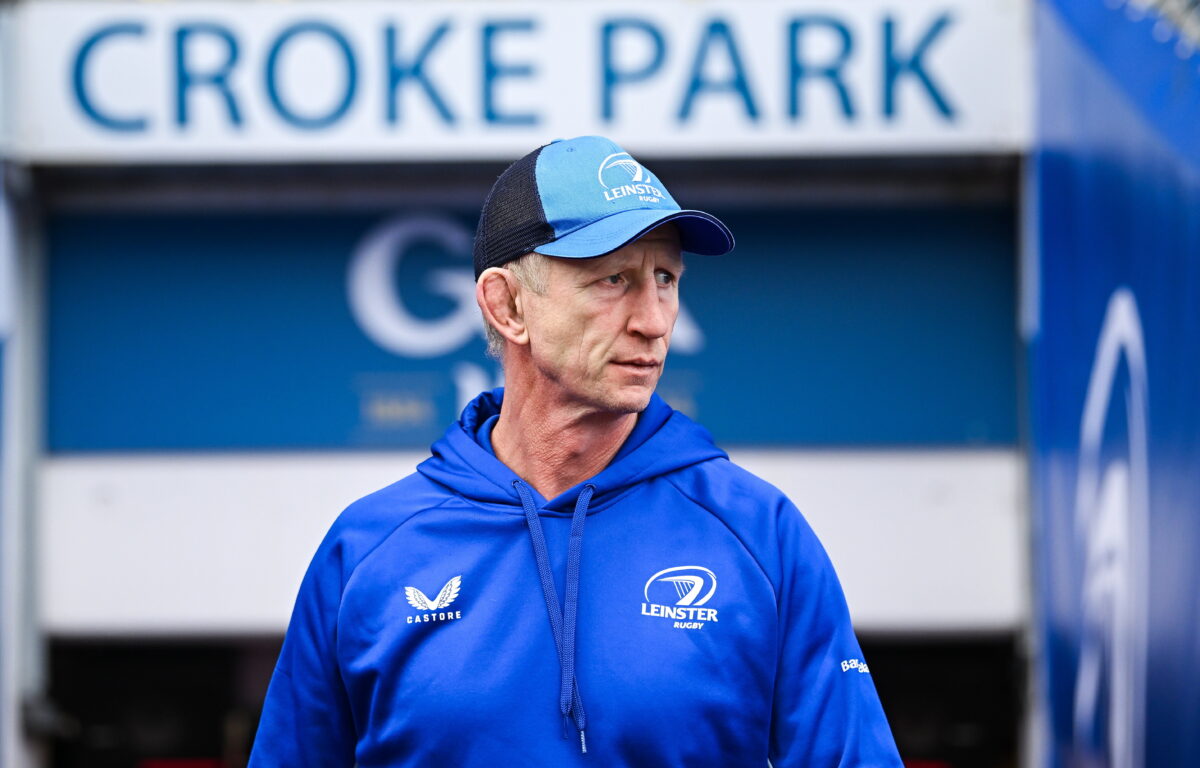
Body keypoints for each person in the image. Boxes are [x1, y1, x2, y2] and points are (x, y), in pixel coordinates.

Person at [248, 135, 903, 767]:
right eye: (614, 279)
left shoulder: (759, 532)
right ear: (507, 306)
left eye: (666, 278)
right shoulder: (368, 548)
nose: (654, 320)